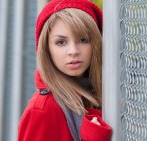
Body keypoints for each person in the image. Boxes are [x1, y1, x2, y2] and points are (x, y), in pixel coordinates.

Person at [18, 0, 112, 141]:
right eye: (61, 42)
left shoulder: (100, 93)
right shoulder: (43, 111)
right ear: (47, 49)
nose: (73, 51)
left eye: (83, 40)